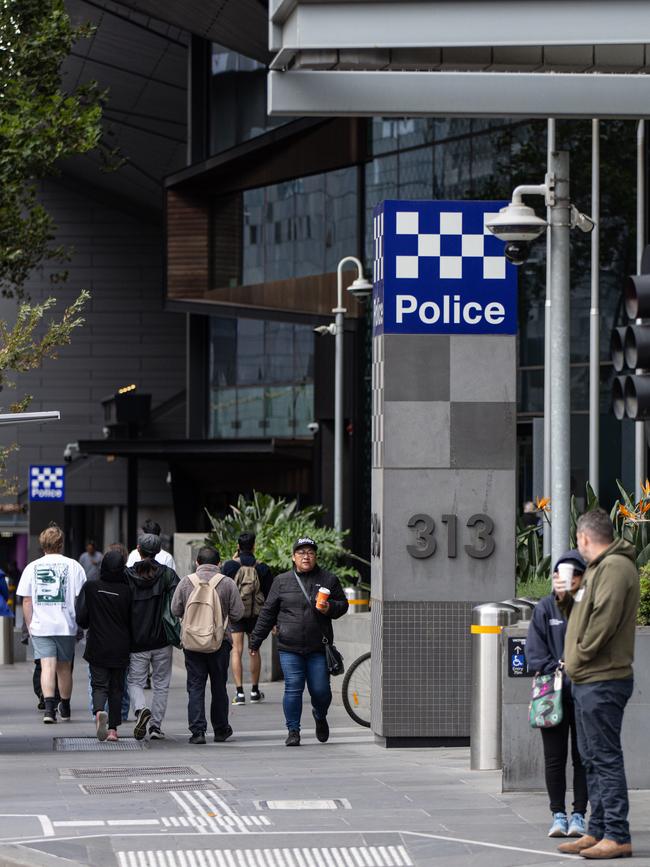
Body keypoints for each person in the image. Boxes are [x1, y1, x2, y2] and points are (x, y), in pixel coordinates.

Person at [556, 509, 639, 861]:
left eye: (578, 541)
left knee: (604, 759)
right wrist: (567, 594)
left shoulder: (615, 568)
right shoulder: (598, 569)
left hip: (603, 679)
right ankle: (598, 830)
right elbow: (585, 613)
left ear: (584, 539)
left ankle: (617, 834)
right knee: (591, 759)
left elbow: (602, 622)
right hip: (590, 679)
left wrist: (577, 657)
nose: (579, 546)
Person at [249, 537, 348, 746]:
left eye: (310, 552)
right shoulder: (281, 581)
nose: (306, 556)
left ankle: (320, 716)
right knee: (293, 688)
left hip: (318, 648)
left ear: (316, 556)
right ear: (293, 557)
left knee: (321, 691)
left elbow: (343, 605)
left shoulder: (328, 579)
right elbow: (268, 612)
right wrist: (255, 641)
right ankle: (293, 730)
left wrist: (329, 608)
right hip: (289, 647)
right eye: (301, 552)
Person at [526, 550, 588, 839]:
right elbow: (534, 654)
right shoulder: (544, 608)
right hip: (551, 693)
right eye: (562, 573)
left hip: (585, 691)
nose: (567, 579)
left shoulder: (590, 607)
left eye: (574, 574)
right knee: (554, 758)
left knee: (582, 757)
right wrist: (558, 665)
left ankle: (579, 815)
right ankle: (558, 815)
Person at [171, 545, 244, 744]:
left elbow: (175, 609)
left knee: (195, 686)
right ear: (219, 563)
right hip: (220, 642)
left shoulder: (187, 582)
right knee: (219, 686)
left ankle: (197, 732)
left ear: (197, 562)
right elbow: (238, 613)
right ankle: (221, 730)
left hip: (192, 644)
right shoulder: (227, 583)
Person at [16, 524, 86, 724]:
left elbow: (27, 601)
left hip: (41, 626)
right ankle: (65, 706)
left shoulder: (32, 567)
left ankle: (48, 710)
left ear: (42, 545)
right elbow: (81, 598)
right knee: (64, 668)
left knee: (47, 666)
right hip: (66, 626)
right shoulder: (74, 566)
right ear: (61, 544)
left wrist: (30, 626)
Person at [125, 533, 180, 740]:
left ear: (138, 549)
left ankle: (140, 710)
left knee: (135, 681)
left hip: (137, 639)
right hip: (162, 638)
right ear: (158, 551)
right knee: (161, 684)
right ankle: (155, 726)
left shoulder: (128, 575)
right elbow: (178, 602)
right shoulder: (167, 574)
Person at [75, 549, 131, 742]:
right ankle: (113, 730)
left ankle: (99, 712)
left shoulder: (91, 587)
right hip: (121, 646)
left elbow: (82, 618)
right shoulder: (127, 591)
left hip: (97, 644)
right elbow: (133, 620)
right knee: (117, 688)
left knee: (99, 685)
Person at [222, 532, 272, 705]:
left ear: (238, 546)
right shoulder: (262, 568)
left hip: (236, 614)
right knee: (254, 650)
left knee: (236, 650)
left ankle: (240, 693)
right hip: (256, 615)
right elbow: (270, 594)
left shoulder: (229, 566)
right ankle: (255, 691)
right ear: (254, 546)